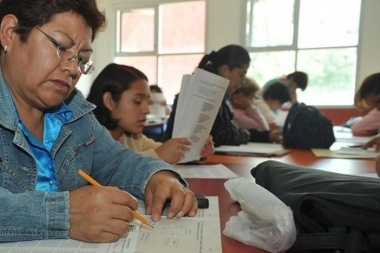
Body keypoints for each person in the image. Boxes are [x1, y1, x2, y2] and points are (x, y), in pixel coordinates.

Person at [0, 0, 197, 243]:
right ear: (10, 33)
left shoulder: (73, 111)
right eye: (61, 46)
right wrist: (66, 215)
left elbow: (117, 161)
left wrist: (158, 177)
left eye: (82, 59)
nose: (73, 69)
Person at [87, 63, 214, 165]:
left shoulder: (131, 137)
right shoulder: (89, 139)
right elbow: (107, 169)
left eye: (147, 102)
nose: (146, 110)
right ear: (109, 101)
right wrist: (158, 156)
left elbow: (167, 150)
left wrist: (196, 150)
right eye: (137, 101)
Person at [164, 44, 282, 146]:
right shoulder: (206, 91)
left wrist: (267, 136)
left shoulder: (216, 90)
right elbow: (219, 136)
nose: (243, 81)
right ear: (225, 70)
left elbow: (228, 130)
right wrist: (245, 134)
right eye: (241, 75)